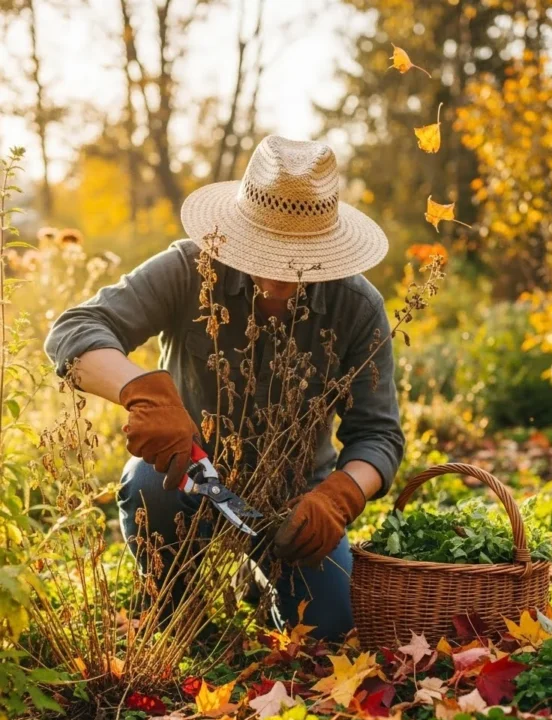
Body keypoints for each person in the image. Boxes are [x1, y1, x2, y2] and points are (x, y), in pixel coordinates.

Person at [45, 135, 404, 642]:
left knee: (329, 629)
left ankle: (262, 577)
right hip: (187, 480)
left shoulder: (357, 306)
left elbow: (379, 434)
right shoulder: (190, 268)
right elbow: (74, 330)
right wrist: (140, 392)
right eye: (268, 252)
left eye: (296, 258)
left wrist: (340, 496)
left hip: (296, 507)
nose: (279, 279)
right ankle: (176, 606)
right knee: (148, 489)